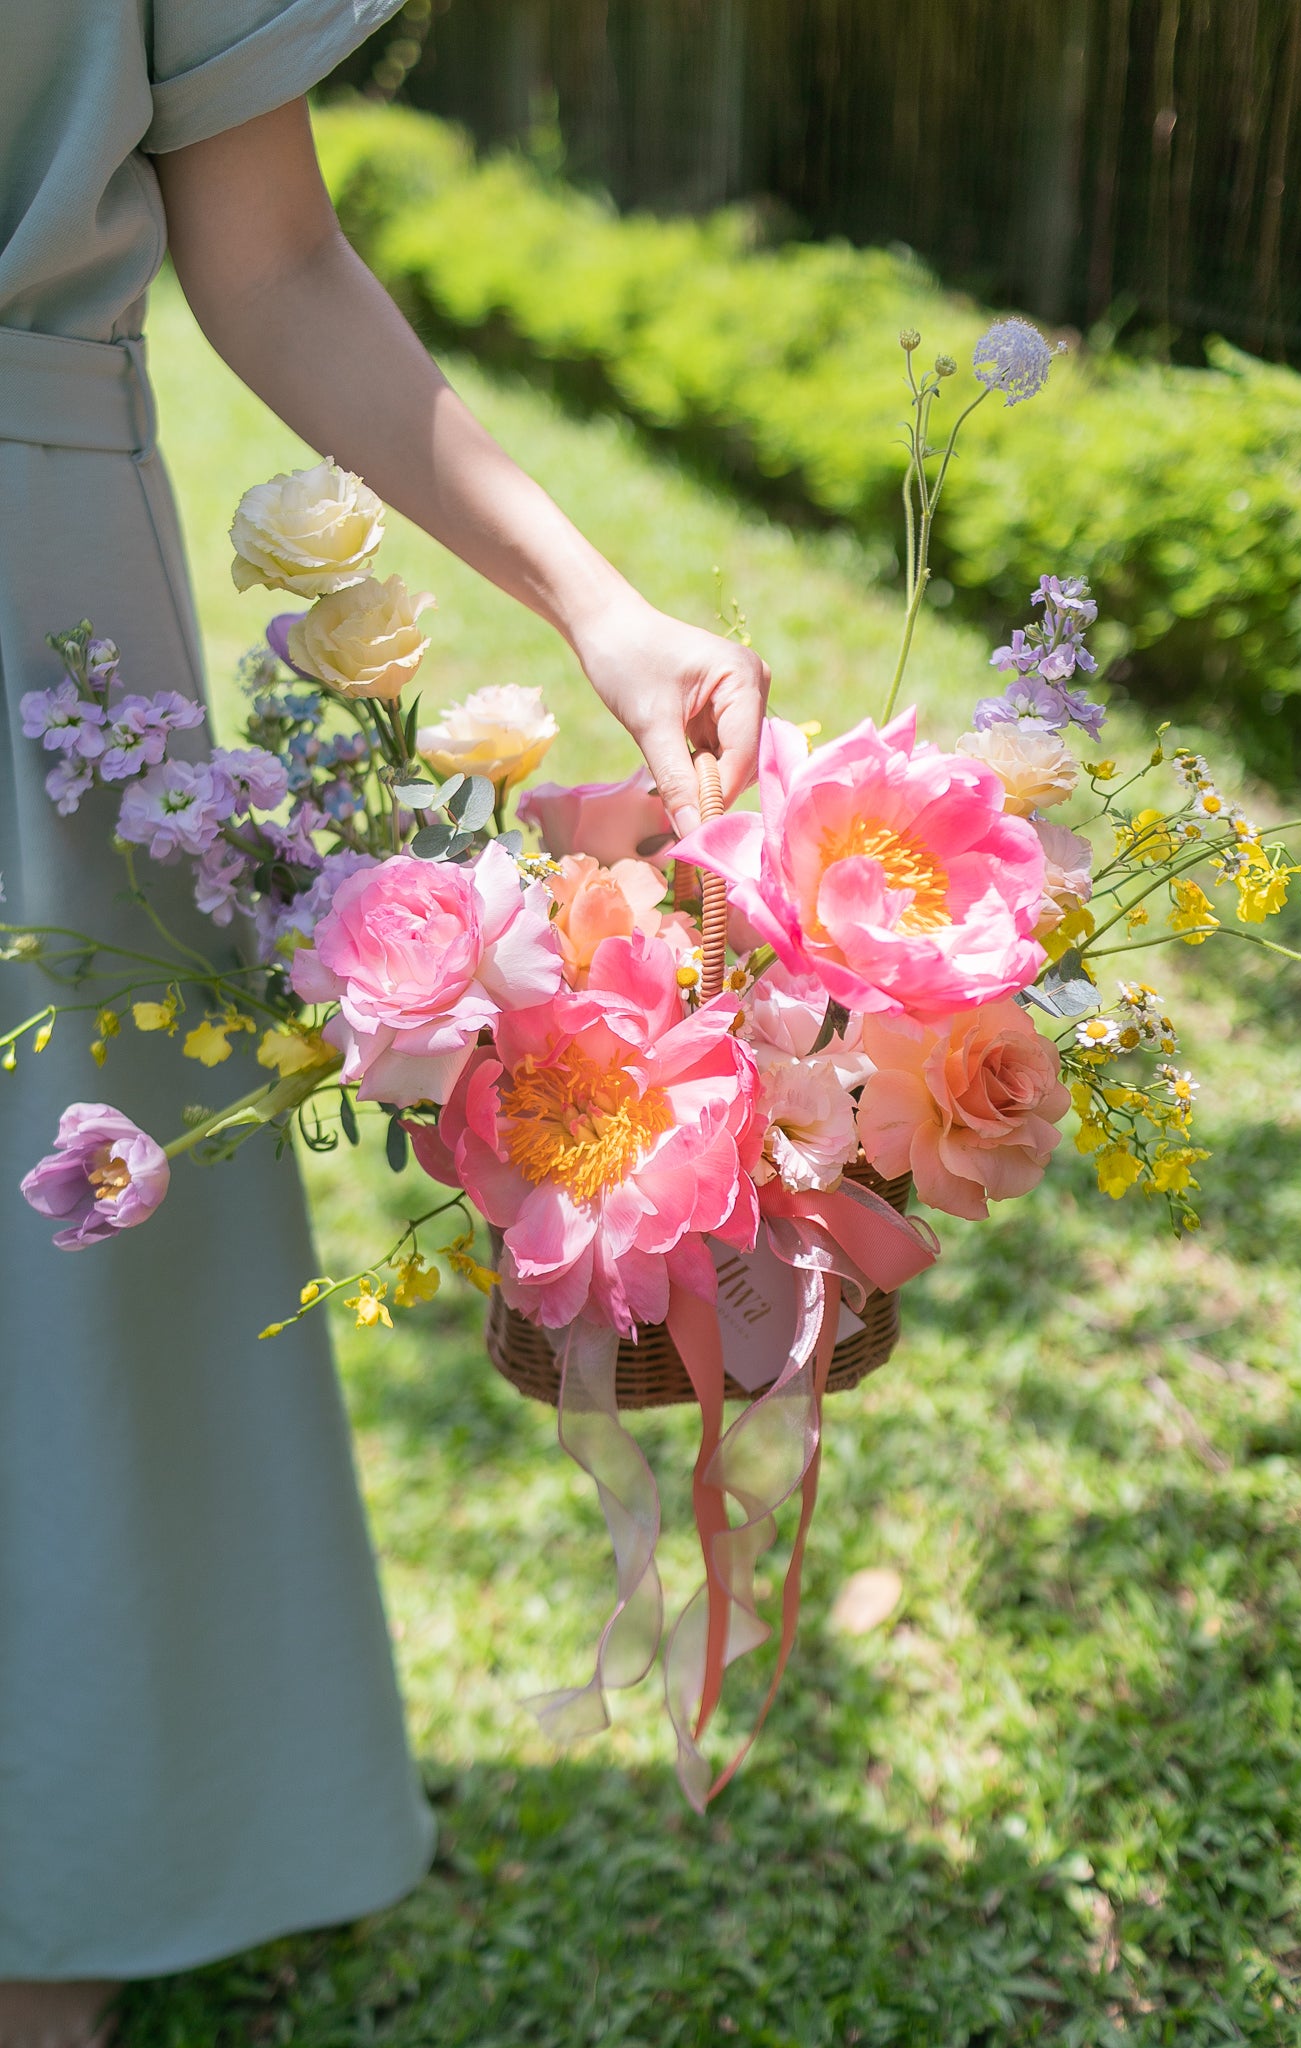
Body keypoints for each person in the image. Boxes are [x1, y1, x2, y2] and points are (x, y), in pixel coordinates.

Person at [0, 5, 769, 2044]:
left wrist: (603, 607)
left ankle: (42, 1893)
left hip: (26, 613)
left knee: (43, 1288)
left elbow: (267, 251)